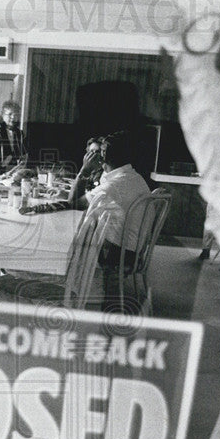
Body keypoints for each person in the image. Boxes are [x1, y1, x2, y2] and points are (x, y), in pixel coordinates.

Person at [69, 131, 151, 311]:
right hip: (135, 249)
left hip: (119, 254)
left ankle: (71, 296)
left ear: (104, 157)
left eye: (100, 152)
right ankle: (80, 290)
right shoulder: (133, 177)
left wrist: (84, 171)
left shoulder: (114, 185)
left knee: (72, 244)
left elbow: (74, 203)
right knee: (86, 231)